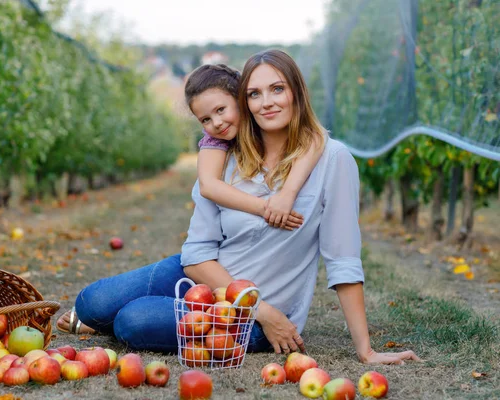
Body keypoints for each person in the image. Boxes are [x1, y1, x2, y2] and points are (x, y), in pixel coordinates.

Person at [57, 49, 420, 365]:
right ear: (244, 101)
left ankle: (138, 318)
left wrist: (366, 350)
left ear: (297, 93)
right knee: (92, 301)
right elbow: (197, 256)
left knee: (132, 322)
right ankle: (112, 316)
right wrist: (256, 303)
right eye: (255, 94)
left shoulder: (332, 159)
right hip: (205, 276)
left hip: (260, 312)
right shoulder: (223, 158)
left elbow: (343, 257)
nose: (268, 102)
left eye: (277, 89)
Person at [185, 64, 324, 230]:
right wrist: (267, 209)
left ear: (241, 100)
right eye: (205, 119)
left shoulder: (267, 121)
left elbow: (315, 136)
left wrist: (288, 194)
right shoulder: (214, 141)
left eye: (221, 110)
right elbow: (208, 187)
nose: (216, 123)